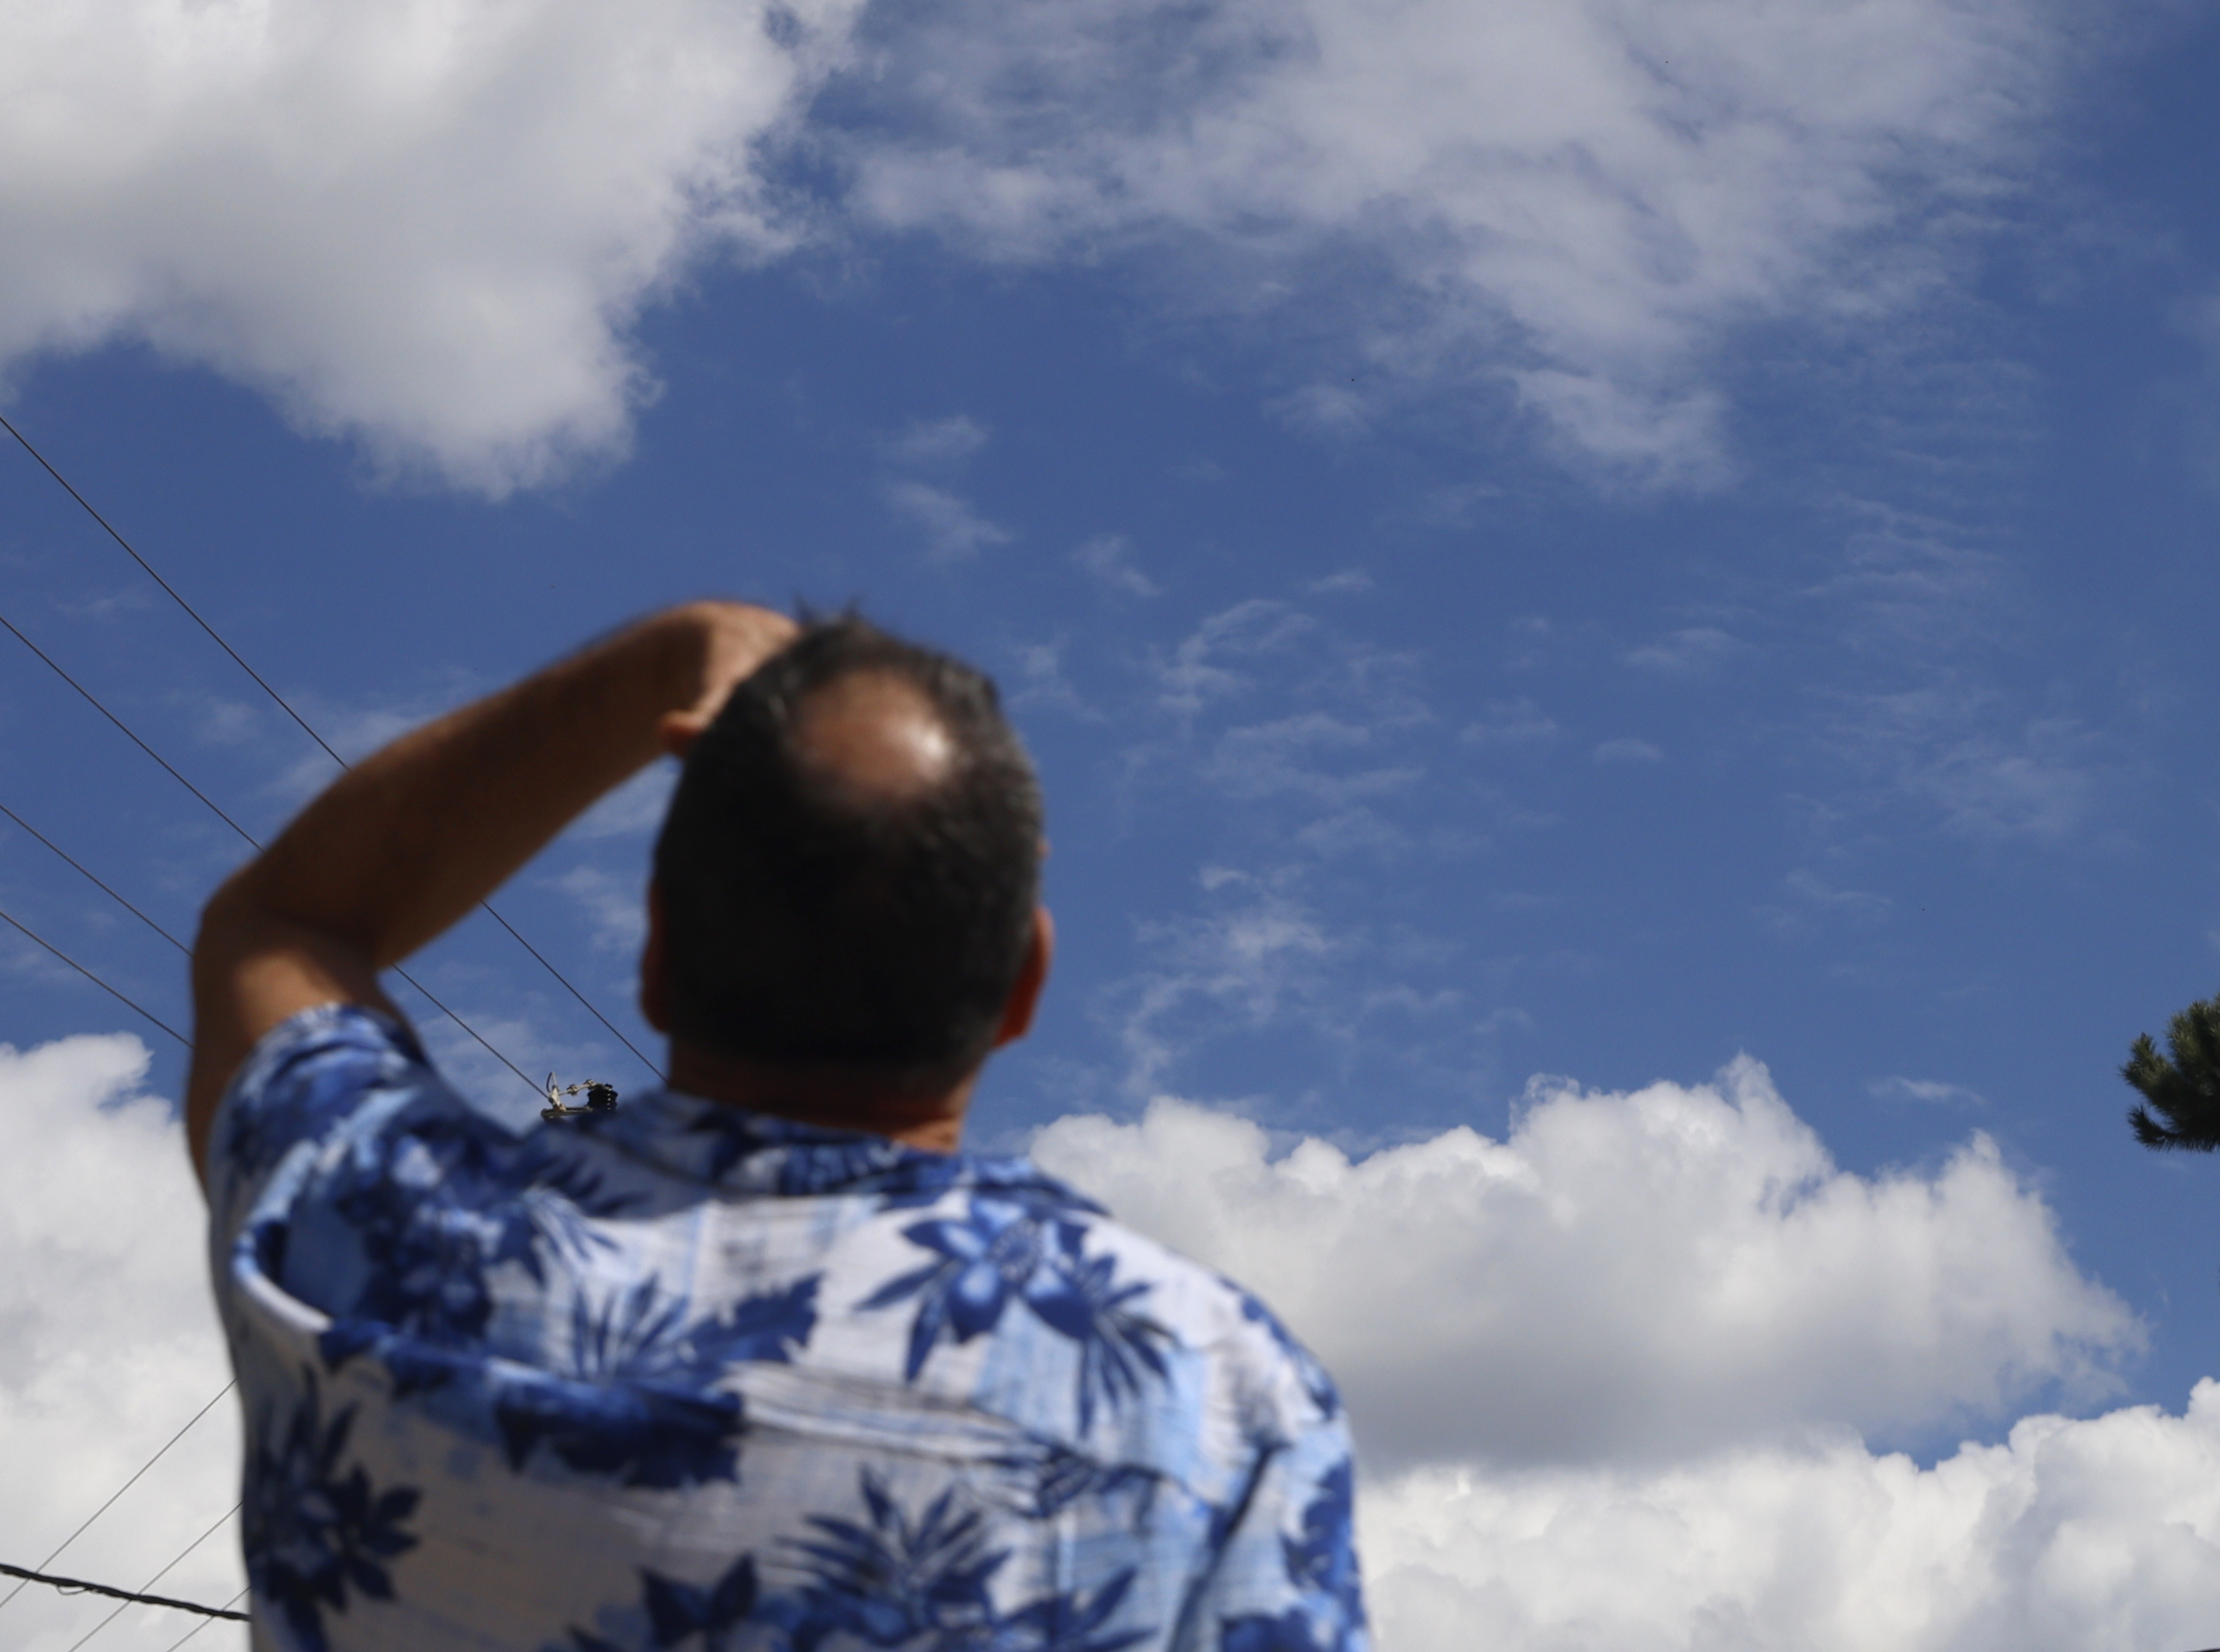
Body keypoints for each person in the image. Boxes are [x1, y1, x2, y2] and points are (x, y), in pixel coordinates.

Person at [184, 602, 1366, 1652]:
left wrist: (657, 659)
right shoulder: (1216, 1399)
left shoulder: (382, 1233)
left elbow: (284, 927)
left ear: (654, 950)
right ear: (1023, 985)